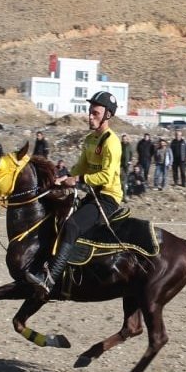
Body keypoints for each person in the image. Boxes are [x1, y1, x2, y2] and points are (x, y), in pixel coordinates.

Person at [25, 91, 123, 299]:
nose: (90, 116)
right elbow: (80, 167)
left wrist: (78, 180)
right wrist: (62, 178)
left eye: (95, 113)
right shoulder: (90, 139)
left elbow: (105, 176)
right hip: (91, 194)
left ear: (107, 116)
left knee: (72, 226)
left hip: (108, 198)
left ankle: (50, 279)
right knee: (57, 217)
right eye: (90, 112)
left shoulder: (111, 142)